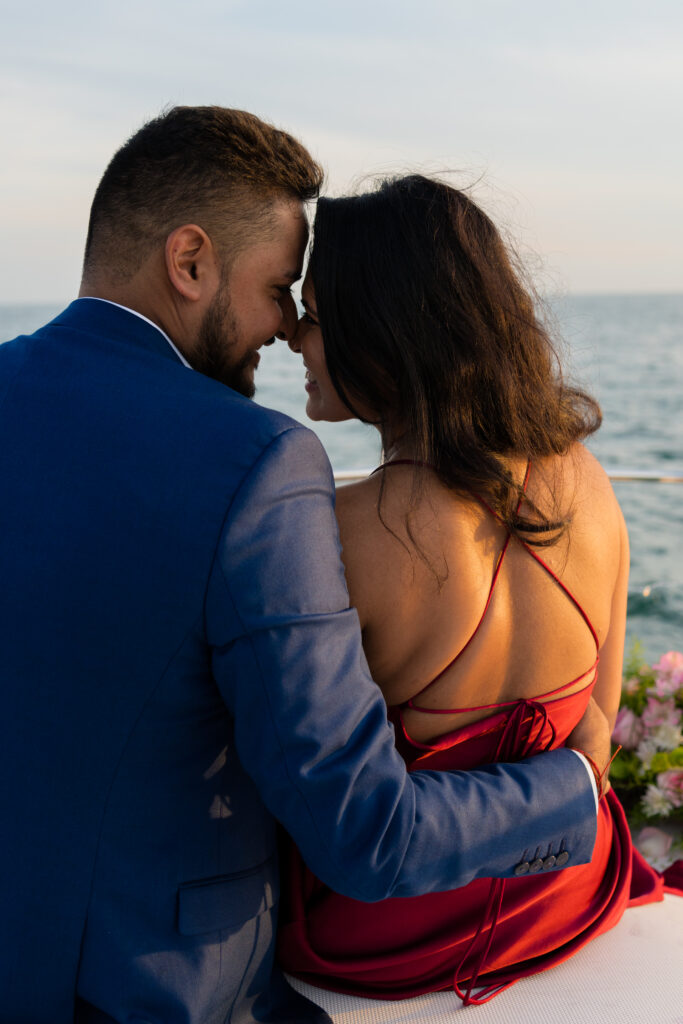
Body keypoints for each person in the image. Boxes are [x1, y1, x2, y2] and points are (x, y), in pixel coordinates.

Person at [0, 113, 606, 1024]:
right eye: (281, 289)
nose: (284, 329)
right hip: (160, 985)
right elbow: (363, 827)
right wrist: (574, 789)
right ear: (191, 262)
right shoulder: (255, 462)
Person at [281, 174, 668, 1005]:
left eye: (313, 314)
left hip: (381, 943)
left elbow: (300, 799)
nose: (292, 338)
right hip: (569, 895)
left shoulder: (335, 531)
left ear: (382, 331)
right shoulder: (584, 482)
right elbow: (592, 743)